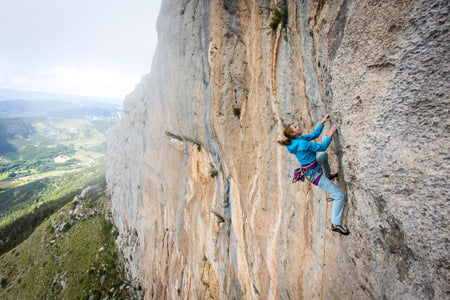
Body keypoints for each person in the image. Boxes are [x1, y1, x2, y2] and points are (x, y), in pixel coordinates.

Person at [278, 115, 349, 235]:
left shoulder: (297, 141)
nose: (298, 126)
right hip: (315, 176)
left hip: (313, 167)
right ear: (293, 134)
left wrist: (321, 123)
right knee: (339, 195)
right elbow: (322, 146)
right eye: (295, 127)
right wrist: (330, 135)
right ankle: (335, 224)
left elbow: (314, 136)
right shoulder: (302, 144)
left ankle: (328, 175)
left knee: (324, 155)